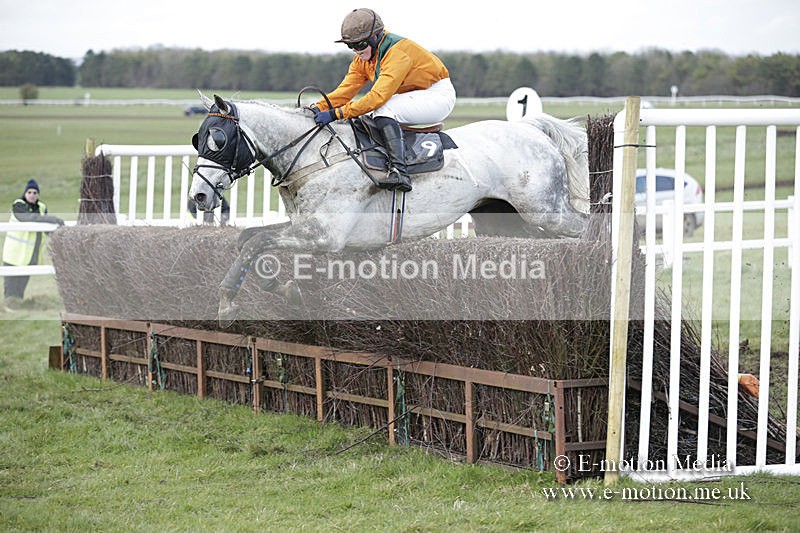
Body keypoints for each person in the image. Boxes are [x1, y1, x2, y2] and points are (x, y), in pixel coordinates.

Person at [311, 8, 456, 192]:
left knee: (383, 110)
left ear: (376, 36)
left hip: (437, 95)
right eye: (351, 46)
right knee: (368, 114)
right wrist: (318, 107)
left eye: (360, 44)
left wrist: (336, 114)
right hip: (410, 96)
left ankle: (400, 171)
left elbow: (377, 97)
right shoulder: (362, 59)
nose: (356, 50)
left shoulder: (397, 53)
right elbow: (345, 91)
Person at [2, 179, 64, 306]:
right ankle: (8, 308)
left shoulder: (42, 207)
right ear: (25, 193)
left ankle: (17, 308)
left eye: (35, 192)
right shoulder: (18, 205)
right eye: (29, 192)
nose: (32, 195)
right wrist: (53, 219)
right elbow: (29, 219)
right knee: (10, 288)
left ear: (38, 195)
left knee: (20, 289)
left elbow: (46, 229)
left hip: (29, 258)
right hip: (13, 256)